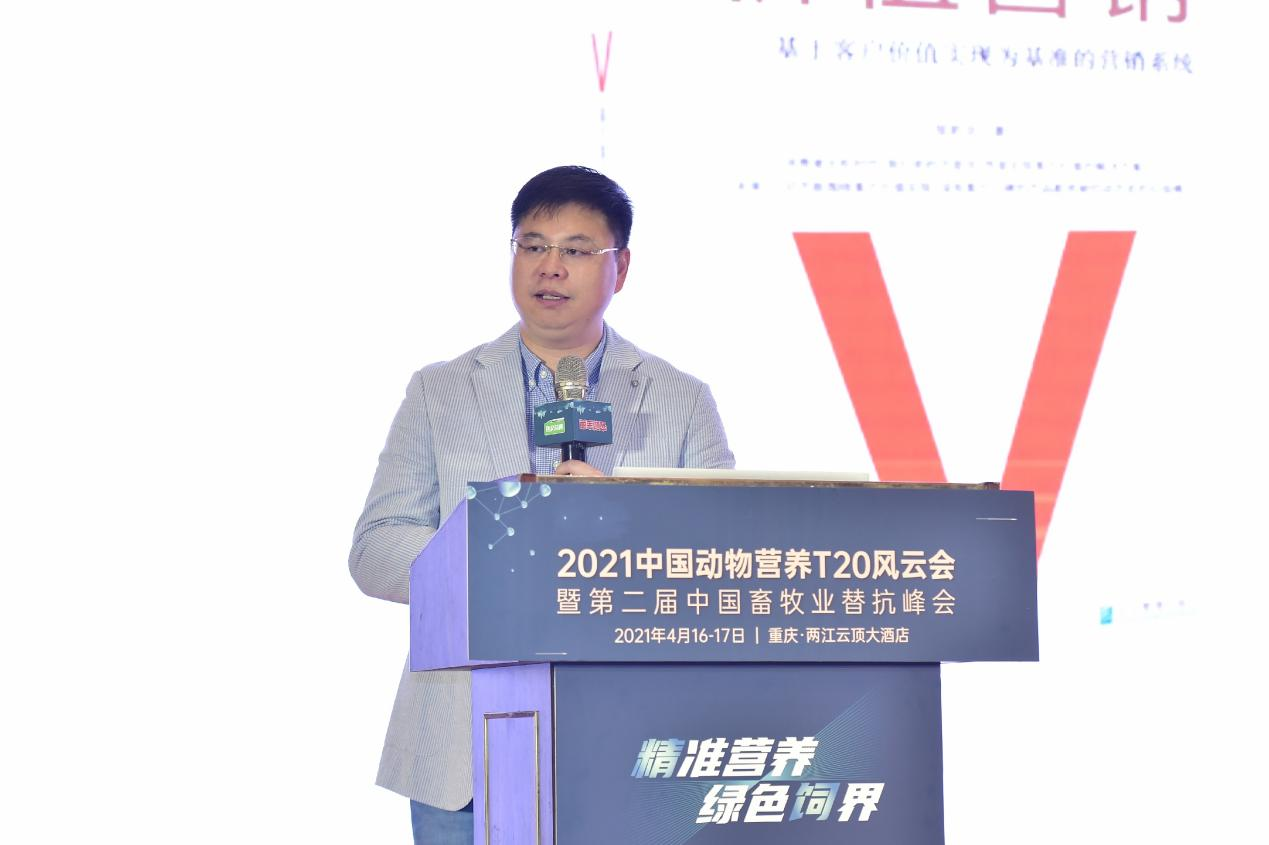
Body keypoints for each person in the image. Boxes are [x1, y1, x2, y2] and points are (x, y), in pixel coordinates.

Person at [349, 165, 734, 843]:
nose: (549, 266)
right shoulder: (441, 390)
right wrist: (509, 548)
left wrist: (618, 525)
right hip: (463, 754)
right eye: (532, 245)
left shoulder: (679, 398)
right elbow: (376, 549)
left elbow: (718, 561)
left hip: (628, 745)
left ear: (620, 267)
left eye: (576, 249)